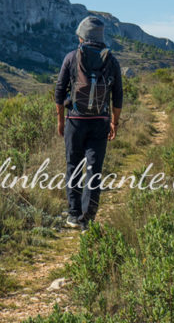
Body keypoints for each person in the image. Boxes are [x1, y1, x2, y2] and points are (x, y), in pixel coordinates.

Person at [54, 16, 123, 232]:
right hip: (100, 122)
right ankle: (87, 220)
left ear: (82, 36)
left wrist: (60, 120)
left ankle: (74, 214)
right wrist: (114, 122)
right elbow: (118, 95)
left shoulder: (72, 57)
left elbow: (58, 91)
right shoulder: (111, 61)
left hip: (75, 120)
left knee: (73, 166)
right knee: (94, 170)